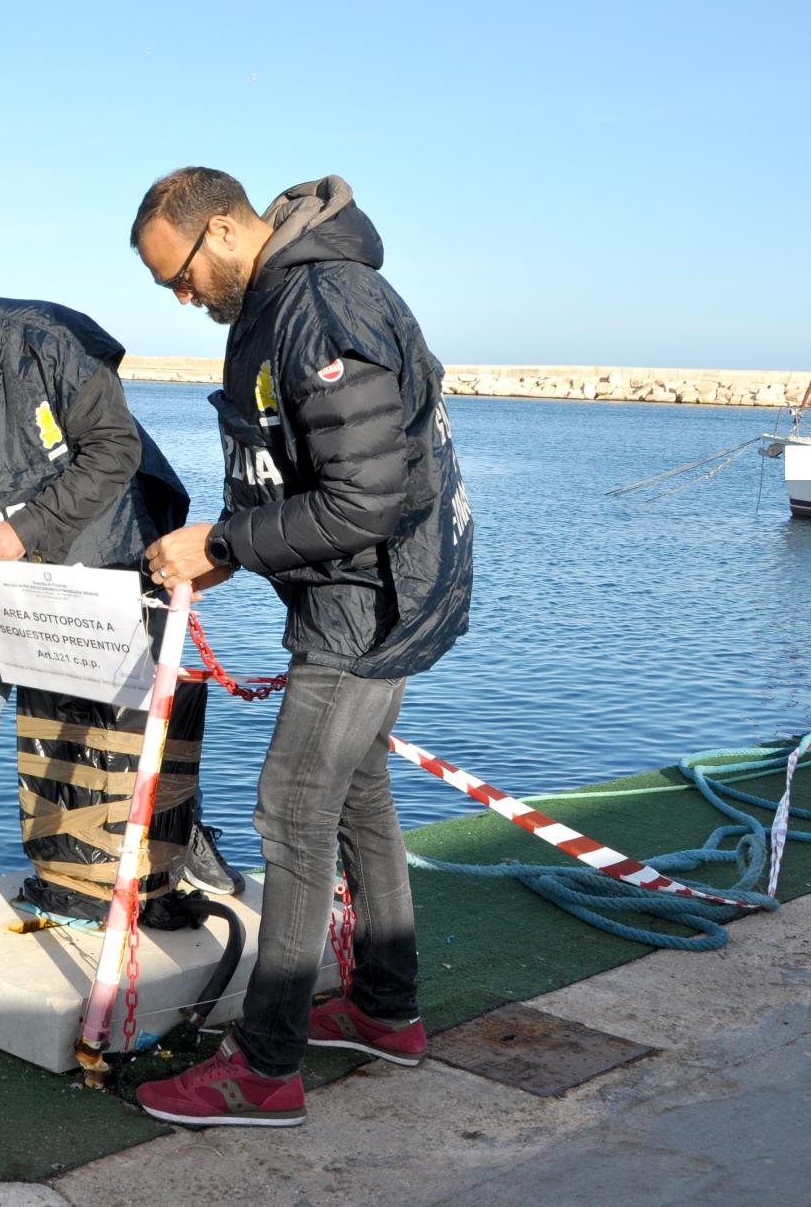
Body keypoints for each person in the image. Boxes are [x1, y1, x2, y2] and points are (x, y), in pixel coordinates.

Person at [129, 170, 473, 1128]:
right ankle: (385, 1008)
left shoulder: (321, 307)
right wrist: (229, 547)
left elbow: (364, 498)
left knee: (291, 809)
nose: (182, 299)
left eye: (182, 278)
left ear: (228, 231)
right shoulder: (279, 300)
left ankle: (265, 1067)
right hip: (374, 589)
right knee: (359, 789)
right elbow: (294, 463)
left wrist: (226, 543)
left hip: (369, 603)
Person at [0, 259, 244, 932]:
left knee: (139, 703)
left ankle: (184, 836)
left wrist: (27, 527)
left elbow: (115, 449)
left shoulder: (49, 345)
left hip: (103, 554)